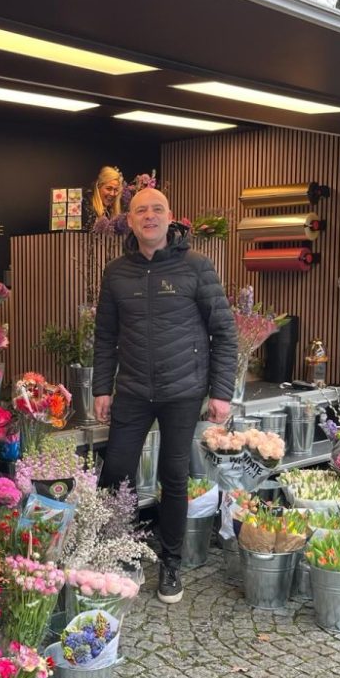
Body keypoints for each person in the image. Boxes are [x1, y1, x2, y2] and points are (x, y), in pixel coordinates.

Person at [92, 187, 237, 604]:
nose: (150, 216)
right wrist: (103, 386)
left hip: (183, 390)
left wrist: (221, 393)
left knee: (173, 477)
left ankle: (170, 562)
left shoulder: (196, 266)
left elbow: (224, 333)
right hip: (133, 388)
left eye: (157, 209)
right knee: (115, 471)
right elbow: (106, 336)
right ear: (130, 220)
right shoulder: (117, 271)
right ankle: (122, 553)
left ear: (170, 217)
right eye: (141, 211)